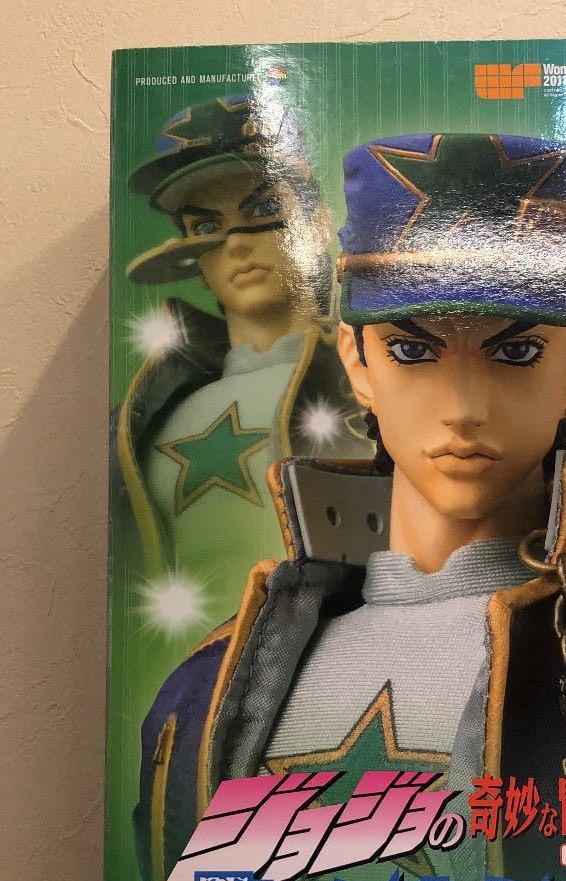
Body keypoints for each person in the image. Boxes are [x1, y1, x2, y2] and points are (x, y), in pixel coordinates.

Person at [133, 131, 566, 881]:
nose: (462, 407)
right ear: (357, 364)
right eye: (413, 352)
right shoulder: (202, 689)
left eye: (515, 352)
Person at [115, 94, 367, 590]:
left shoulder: (378, 382)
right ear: (194, 260)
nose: (236, 242)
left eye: (266, 208)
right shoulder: (142, 418)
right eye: (207, 227)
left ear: (318, 226)